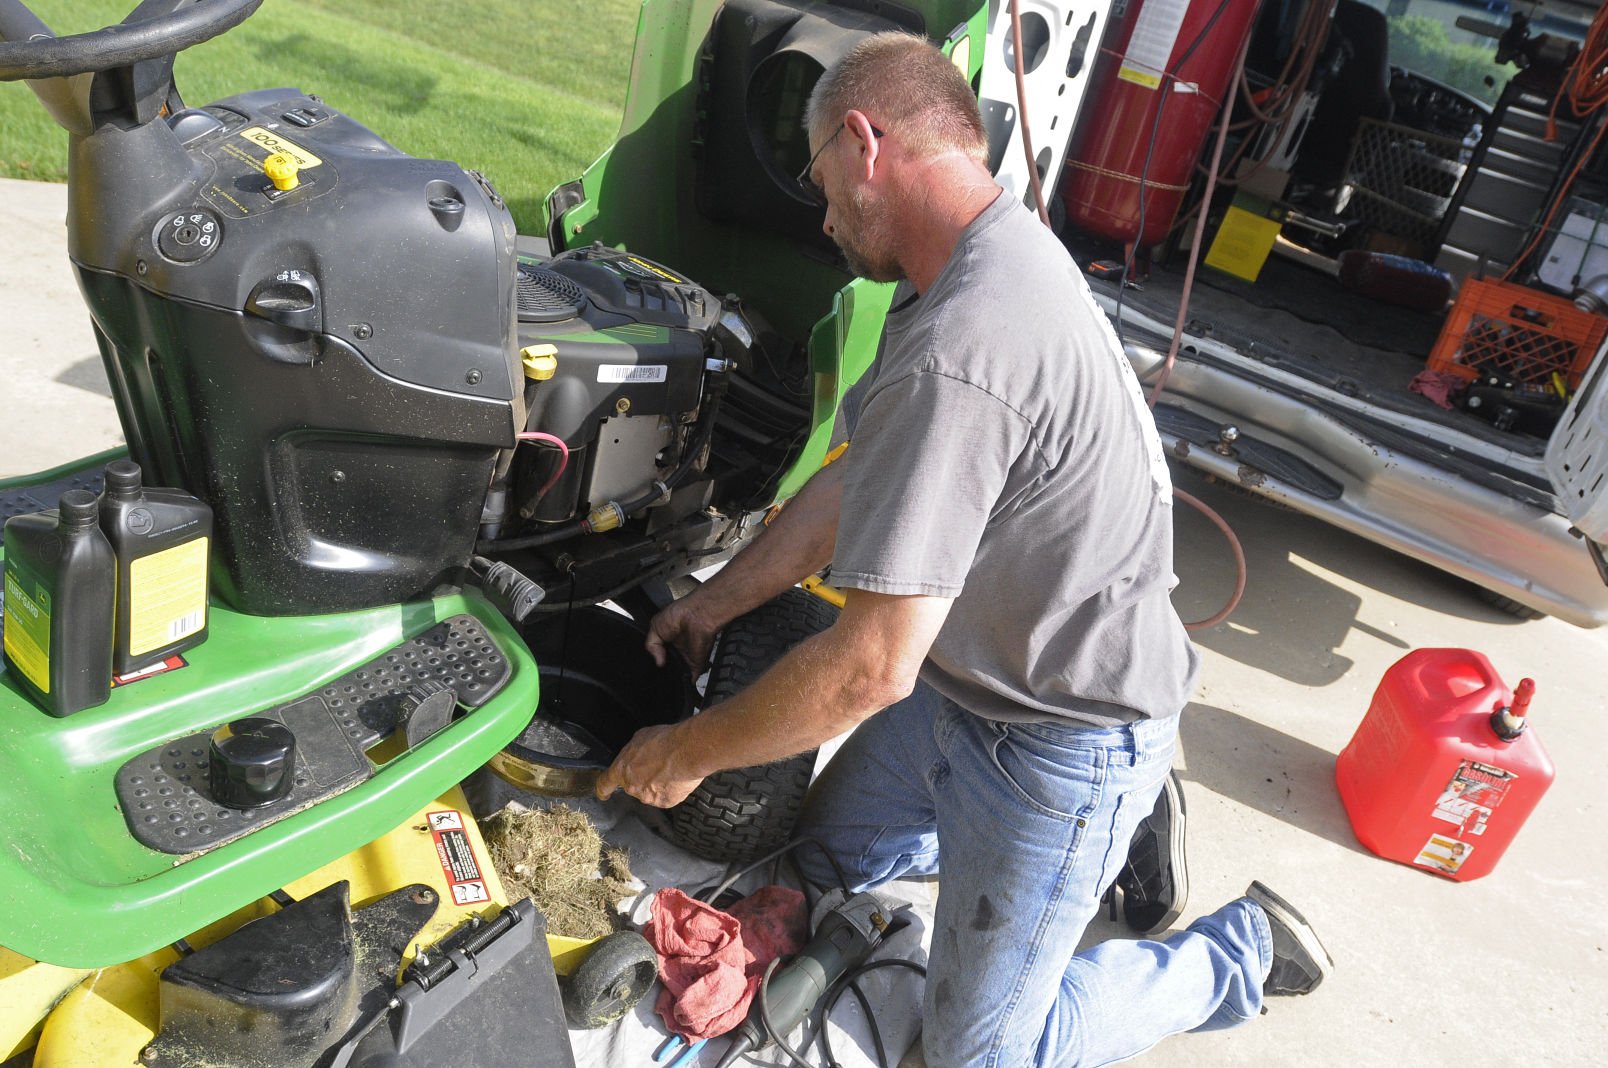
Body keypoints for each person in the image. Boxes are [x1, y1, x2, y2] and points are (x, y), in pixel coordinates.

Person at [596, 31, 1332, 1066]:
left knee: (978, 1056)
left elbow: (866, 670)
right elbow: (861, 479)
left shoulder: (965, 342)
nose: (821, 213)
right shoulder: (967, 260)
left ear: (863, 143)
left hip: (1065, 736)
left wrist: (688, 751)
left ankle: (1234, 953)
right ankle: (1079, 849)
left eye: (817, 180)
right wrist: (712, 606)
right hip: (966, 688)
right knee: (806, 869)